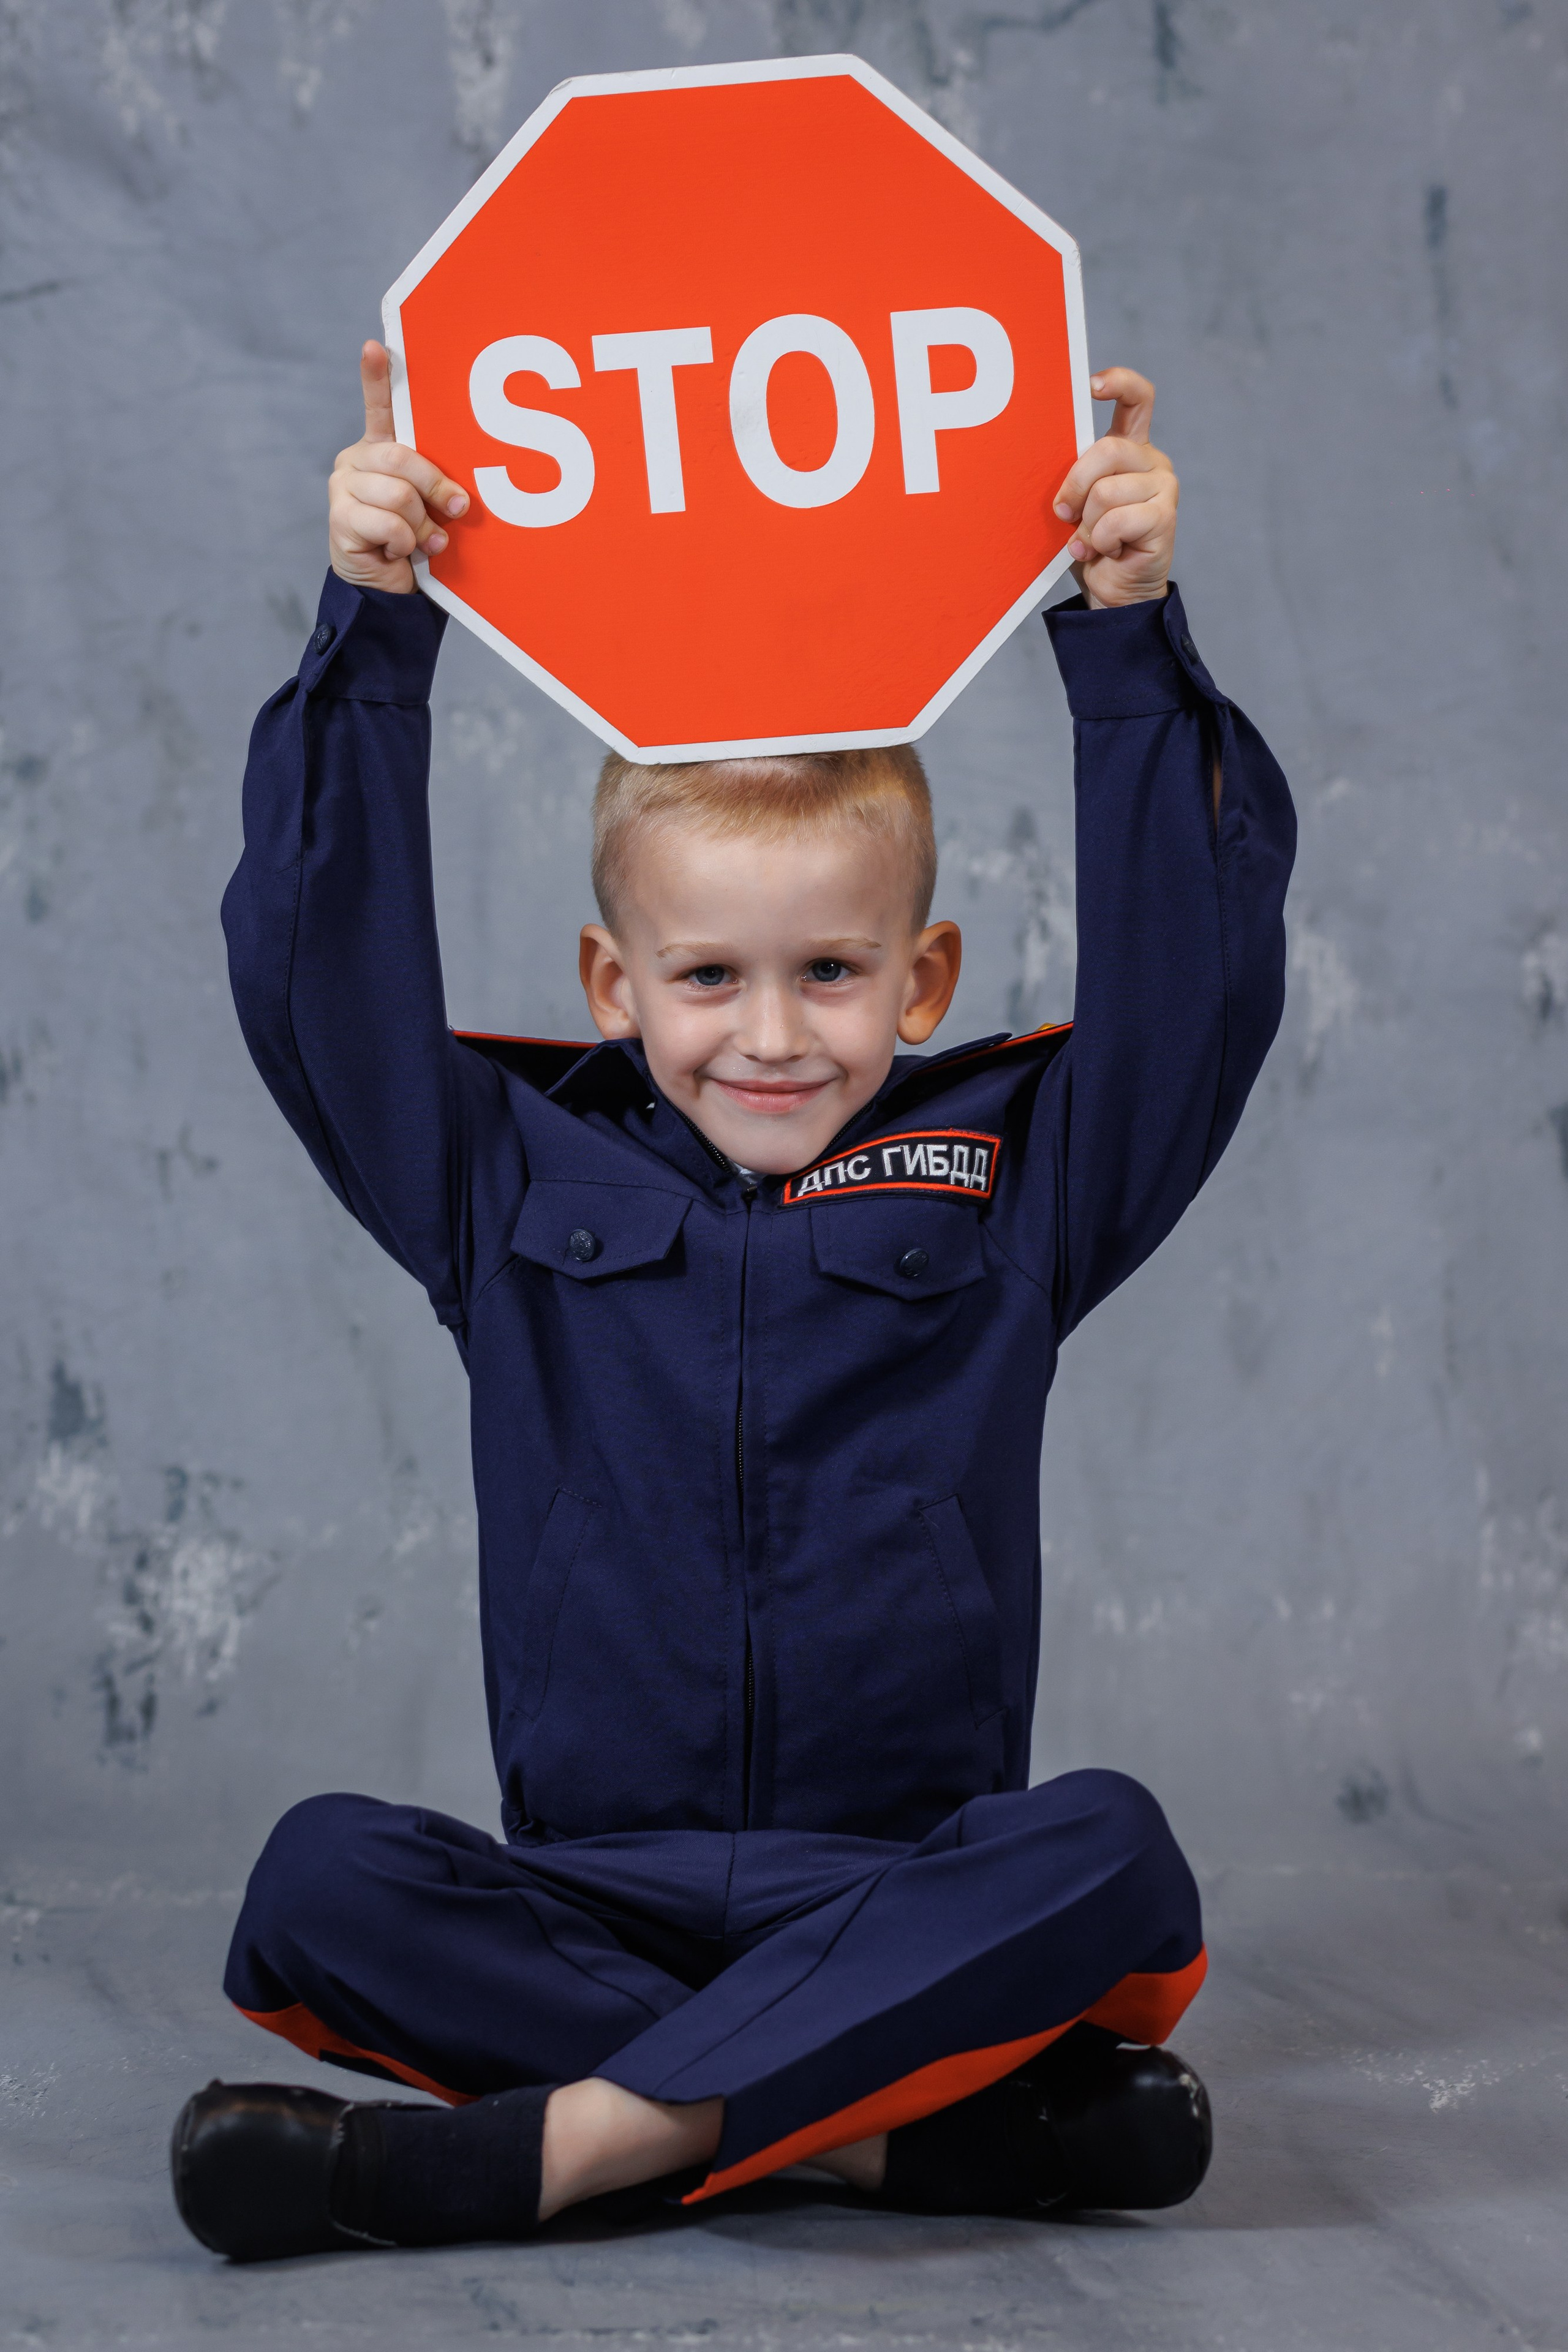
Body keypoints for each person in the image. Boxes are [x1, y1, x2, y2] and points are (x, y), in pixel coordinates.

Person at [172, 344, 1294, 2261]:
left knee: (1110, 1850)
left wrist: (1126, 627)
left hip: (915, 1886)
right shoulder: (508, 1177)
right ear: (615, 979)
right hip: (583, 1900)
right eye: (707, 978)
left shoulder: (1019, 1173)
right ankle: (890, 2141)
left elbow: (1201, 990)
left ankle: (571, 2142)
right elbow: (310, 978)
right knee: (316, 1882)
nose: (771, 1036)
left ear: (924, 977)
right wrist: (374, 625)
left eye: (834, 972)